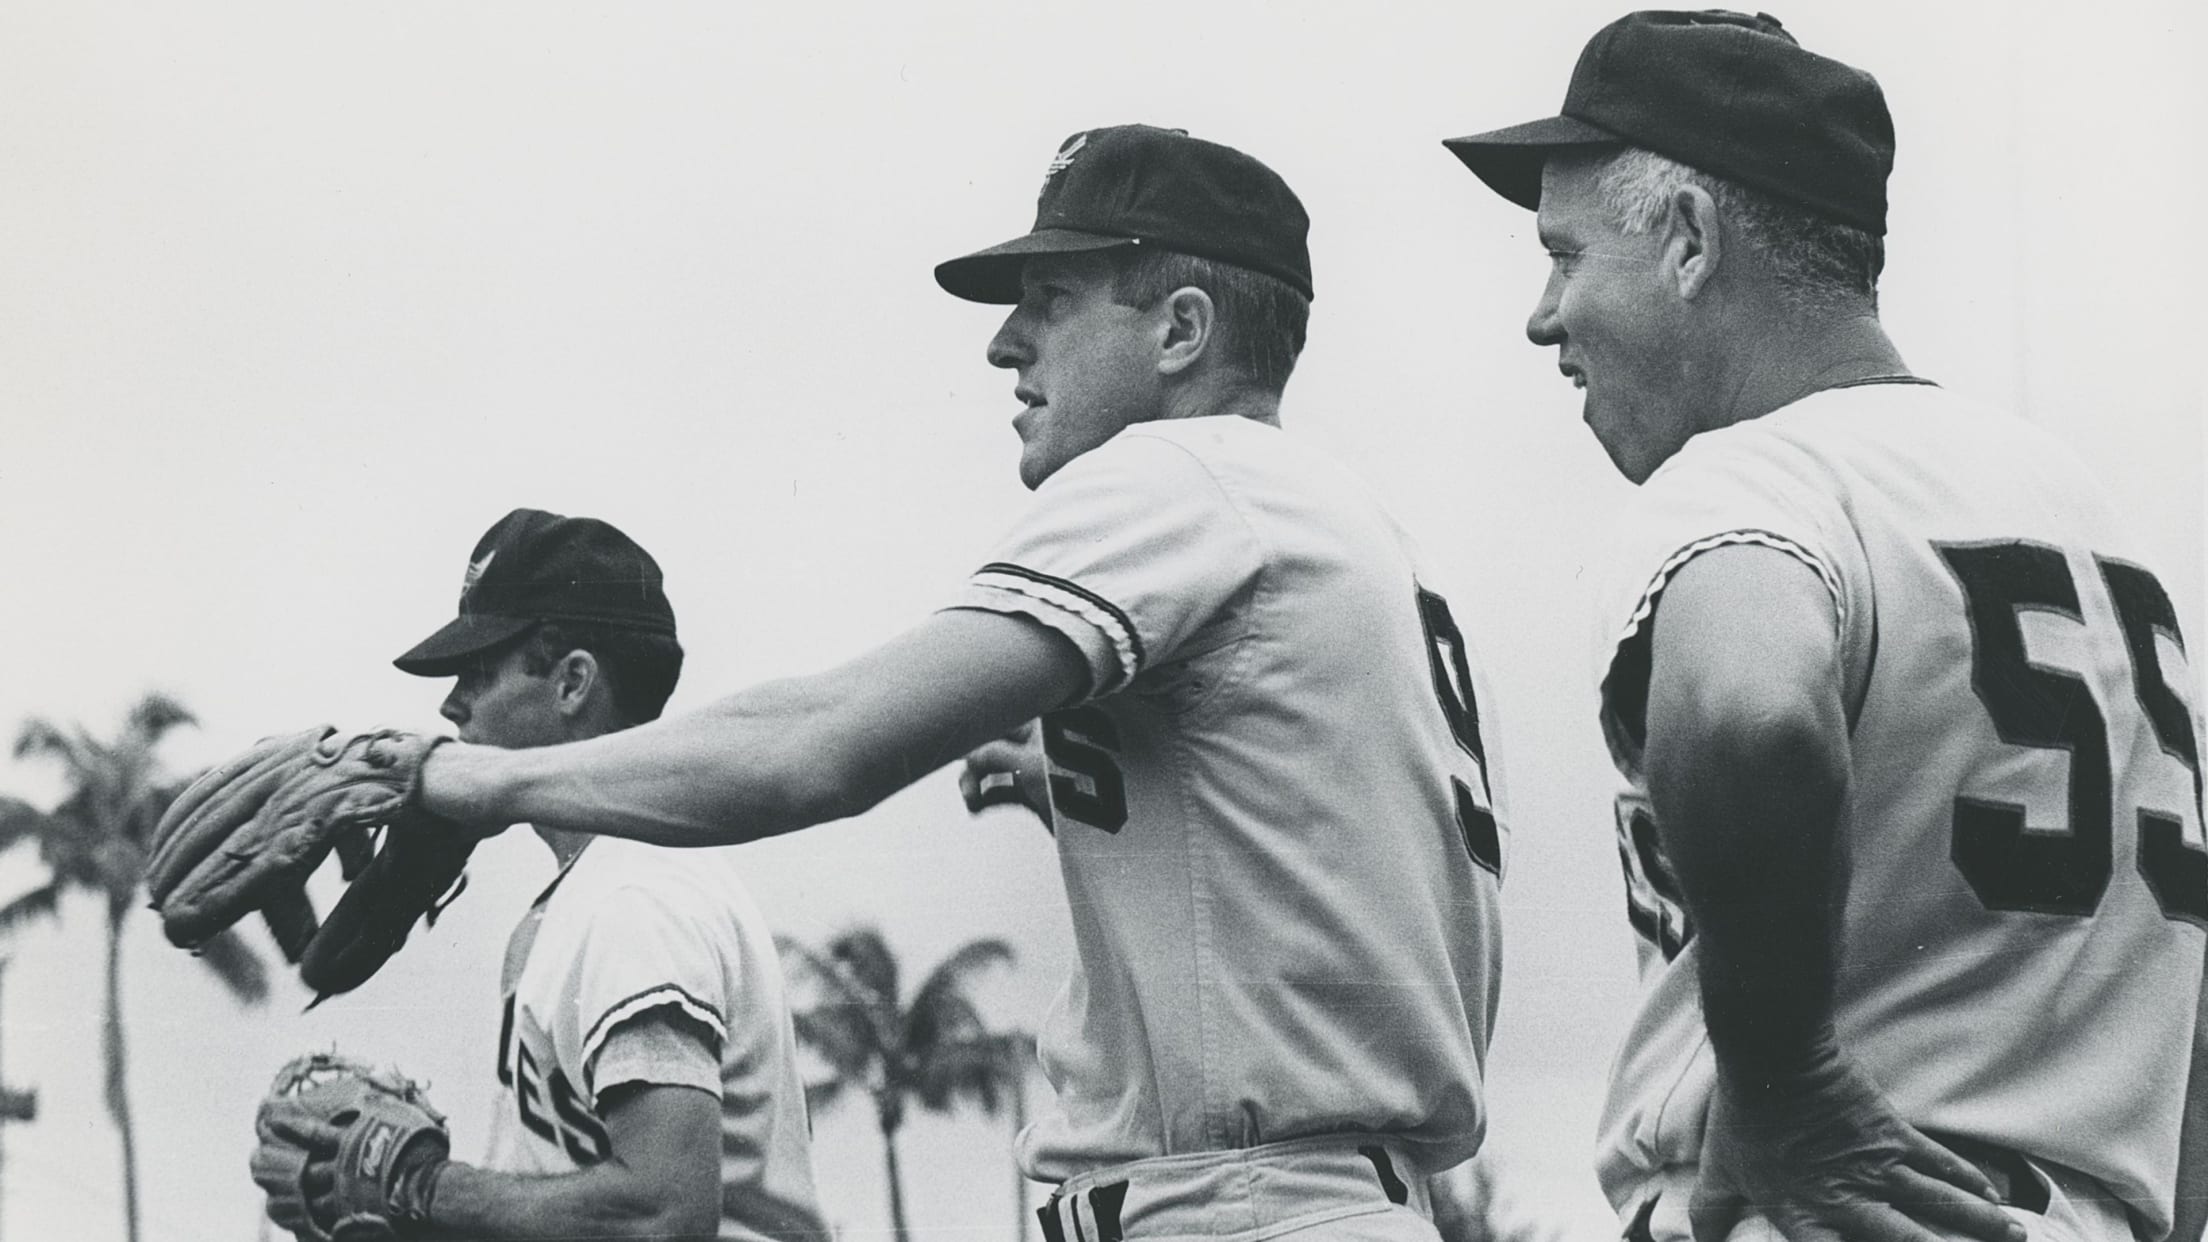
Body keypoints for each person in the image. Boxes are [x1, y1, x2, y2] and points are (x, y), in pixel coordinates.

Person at [234, 124, 1506, 1241]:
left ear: (1181, 329)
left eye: (1053, 300)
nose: (1008, 342)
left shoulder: (1178, 476)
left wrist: (474, 781)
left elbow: (822, 744)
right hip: (1316, 1192)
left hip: (1235, 1209)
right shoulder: (1352, 530)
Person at [1442, 11, 2207, 1242]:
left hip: (1830, 1207)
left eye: (1566, 255)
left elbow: (1749, 715)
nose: (1545, 317)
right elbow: (2180, 970)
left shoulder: (1749, 477)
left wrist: (1785, 1084)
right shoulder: (2087, 512)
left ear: (1688, 241)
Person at [252, 507, 827, 1241]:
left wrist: (422, 1185)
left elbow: (665, 1214)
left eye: (479, 671)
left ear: (572, 683)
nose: (450, 702)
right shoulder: (595, 891)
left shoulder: (635, 897)